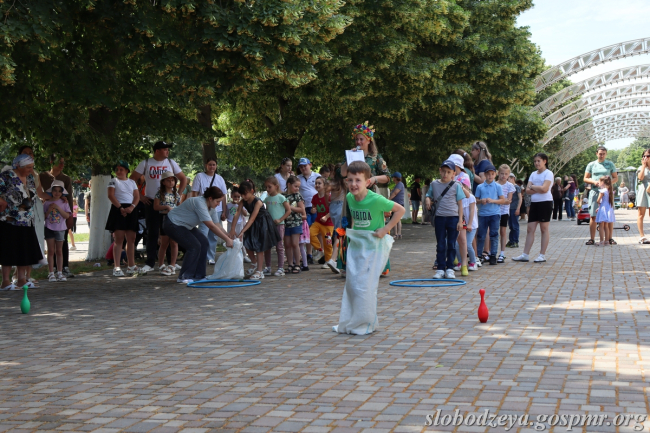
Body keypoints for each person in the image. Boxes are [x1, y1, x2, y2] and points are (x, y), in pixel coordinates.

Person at [333, 161, 404, 335]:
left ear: (367, 182)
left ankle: (366, 323)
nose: (353, 184)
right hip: (357, 246)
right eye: (350, 180)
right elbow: (354, 222)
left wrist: (385, 229)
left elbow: (400, 210)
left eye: (358, 180)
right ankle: (353, 320)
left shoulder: (375, 199)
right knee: (352, 285)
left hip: (374, 248)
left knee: (365, 287)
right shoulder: (350, 198)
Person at [130, 141, 187, 273]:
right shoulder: (146, 163)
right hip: (152, 202)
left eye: (168, 149)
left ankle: (171, 262)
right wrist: (141, 197)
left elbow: (183, 178)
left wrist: (178, 195)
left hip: (170, 204)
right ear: (157, 151)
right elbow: (131, 180)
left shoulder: (171, 162)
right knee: (152, 233)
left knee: (170, 233)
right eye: (165, 149)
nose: (167, 151)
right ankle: (150, 263)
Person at [163, 187, 233, 284]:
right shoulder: (199, 203)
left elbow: (217, 225)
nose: (218, 204)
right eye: (217, 201)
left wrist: (227, 236)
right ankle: (184, 276)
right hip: (172, 224)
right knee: (194, 246)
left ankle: (199, 276)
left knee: (203, 242)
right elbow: (211, 226)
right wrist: (227, 240)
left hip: (185, 226)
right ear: (210, 198)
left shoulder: (212, 208)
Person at [0, 155, 44, 290]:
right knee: (8, 251)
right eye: (28, 167)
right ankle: (5, 282)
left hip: (26, 220)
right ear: (18, 166)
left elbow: (35, 195)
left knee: (24, 250)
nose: (31, 170)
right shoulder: (6, 176)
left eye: (32, 167)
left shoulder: (30, 178)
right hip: (9, 219)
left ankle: (21, 280)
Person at [229, 181, 282, 280]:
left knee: (259, 246)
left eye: (245, 194)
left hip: (263, 223)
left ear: (252, 191)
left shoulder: (258, 202)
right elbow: (237, 214)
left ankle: (259, 271)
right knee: (246, 242)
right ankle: (254, 262)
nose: (243, 196)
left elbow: (252, 218)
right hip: (254, 223)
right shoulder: (243, 201)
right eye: (241, 194)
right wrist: (232, 229)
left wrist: (242, 231)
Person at [425, 160, 465, 278]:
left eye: (448, 172)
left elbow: (460, 204)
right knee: (441, 244)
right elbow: (428, 195)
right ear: (440, 171)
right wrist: (427, 200)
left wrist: (460, 221)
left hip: (453, 218)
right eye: (443, 171)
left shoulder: (456, 185)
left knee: (451, 244)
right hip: (440, 218)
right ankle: (440, 269)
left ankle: (450, 268)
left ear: (453, 174)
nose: (445, 174)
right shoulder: (434, 184)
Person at [513, 153, 554, 263]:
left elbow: (545, 189)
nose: (536, 163)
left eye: (538, 161)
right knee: (530, 229)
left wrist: (533, 187)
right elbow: (527, 190)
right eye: (535, 161)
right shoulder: (533, 174)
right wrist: (537, 188)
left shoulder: (548, 173)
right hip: (534, 203)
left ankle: (542, 255)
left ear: (544, 161)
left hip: (545, 203)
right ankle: (525, 254)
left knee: (544, 229)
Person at [39, 154, 75, 278]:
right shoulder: (43, 176)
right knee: (50, 246)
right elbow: (38, 191)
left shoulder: (65, 178)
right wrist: (45, 200)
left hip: (61, 215)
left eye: (63, 162)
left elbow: (69, 196)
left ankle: (64, 267)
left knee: (62, 242)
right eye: (59, 162)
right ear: (51, 162)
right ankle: (52, 269)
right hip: (48, 213)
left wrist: (70, 216)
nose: (61, 165)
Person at [190, 158, 227, 265]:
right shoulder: (199, 176)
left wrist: (224, 211)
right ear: (206, 165)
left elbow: (223, 196)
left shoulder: (220, 178)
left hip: (217, 209)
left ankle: (210, 257)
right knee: (203, 233)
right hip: (203, 209)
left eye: (214, 165)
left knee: (214, 234)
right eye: (210, 164)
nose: (212, 167)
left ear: (216, 166)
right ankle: (201, 255)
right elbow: (194, 193)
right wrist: (196, 207)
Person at [106, 161, 140, 277]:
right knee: (119, 238)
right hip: (118, 209)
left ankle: (131, 265)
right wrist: (120, 207)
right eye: (117, 169)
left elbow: (136, 196)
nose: (119, 171)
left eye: (121, 169)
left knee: (131, 238)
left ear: (126, 171)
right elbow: (111, 195)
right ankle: (117, 266)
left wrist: (132, 207)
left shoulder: (132, 182)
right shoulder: (113, 181)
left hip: (131, 209)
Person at [584, 146, 617, 245]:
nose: (601, 155)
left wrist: (607, 185)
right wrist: (594, 182)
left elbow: (615, 178)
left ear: (606, 154)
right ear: (596, 154)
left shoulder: (610, 164)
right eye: (600, 154)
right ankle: (592, 238)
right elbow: (585, 178)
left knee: (608, 217)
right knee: (593, 215)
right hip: (595, 191)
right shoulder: (591, 165)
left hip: (606, 193)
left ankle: (609, 238)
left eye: (603, 154)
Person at [475, 164, 505, 266]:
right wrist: (481, 201)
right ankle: (479, 256)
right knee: (481, 235)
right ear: (485, 174)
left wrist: (493, 200)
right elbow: (476, 200)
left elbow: (502, 200)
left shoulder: (498, 186)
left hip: (495, 214)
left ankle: (493, 256)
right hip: (483, 214)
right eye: (488, 174)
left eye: (492, 174)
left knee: (494, 235)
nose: (490, 176)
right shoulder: (480, 187)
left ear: (495, 174)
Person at [44, 180, 72, 282]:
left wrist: (58, 208)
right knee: (51, 251)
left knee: (59, 251)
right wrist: (49, 210)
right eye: (55, 190)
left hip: (60, 228)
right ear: (51, 191)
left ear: (62, 192)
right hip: (49, 228)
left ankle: (60, 272)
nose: (57, 193)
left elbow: (67, 216)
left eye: (59, 191)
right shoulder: (47, 203)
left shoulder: (64, 202)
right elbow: (43, 217)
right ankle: (51, 273)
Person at [154, 171, 181, 276]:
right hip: (164, 217)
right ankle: (161, 264)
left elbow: (179, 207)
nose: (171, 182)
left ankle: (172, 265)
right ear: (163, 182)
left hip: (174, 219)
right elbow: (155, 207)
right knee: (164, 243)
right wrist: (166, 207)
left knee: (174, 242)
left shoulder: (176, 194)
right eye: (168, 180)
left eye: (173, 180)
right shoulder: (159, 194)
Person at [263, 177, 290, 276]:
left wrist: (280, 219)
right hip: (269, 226)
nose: (267, 189)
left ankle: (280, 268)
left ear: (276, 186)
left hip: (279, 225)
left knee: (279, 246)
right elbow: (265, 210)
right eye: (266, 187)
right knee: (267, 247)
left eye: (269, 187)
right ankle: (268, 267)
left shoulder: (281, 198)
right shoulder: (267, 199)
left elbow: (288, 210)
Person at [297, 158, 320, 263]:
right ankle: (309, 254)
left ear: (310, 165)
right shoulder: (298, 178)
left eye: (305, 166)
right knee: (308, 230)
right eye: (301, 167)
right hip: (304, 207)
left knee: (319, 229)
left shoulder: (317, 176)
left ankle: (320, 251)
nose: (303, 168)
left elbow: (323, 189)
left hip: (316, 206)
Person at [309, 177, 335, 265]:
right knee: (310, 233)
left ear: (324, 185)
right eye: (316, 183)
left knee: (328, 243)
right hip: (318, 222)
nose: (317, 185)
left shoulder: (329, 197)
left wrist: (326, 217)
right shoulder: (315, 197)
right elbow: (313, 208)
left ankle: (328, 261)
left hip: (328, 224)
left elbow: (333, 210)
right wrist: (313, 210)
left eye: (319, 183)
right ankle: (320, 250)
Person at [283, 176, 306, 274]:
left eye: (298, 187)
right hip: (285, 223)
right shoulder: (282, 196)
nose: (297, 189)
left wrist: (290, 208)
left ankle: (297, 264)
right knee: (287, 244)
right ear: (289, 184)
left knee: (295, 244)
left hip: (296, 223)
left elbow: (302, 209)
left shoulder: (298, 196)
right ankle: (290, 264)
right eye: (295, 186)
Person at [325, 164, 346, 274]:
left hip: (333, 206)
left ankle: (337, 259)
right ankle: (333, 259)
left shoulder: (332, 183)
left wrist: (327, 201)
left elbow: (326, 191)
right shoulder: (344, 183)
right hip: (341, 206)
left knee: (337, 233)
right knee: (340, 233)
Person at [496, 165, 515, 263]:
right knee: (492, 232)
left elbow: (509, 200)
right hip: (494, 211)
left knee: (502, 232)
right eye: (502, 173)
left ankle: (502, 253)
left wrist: (497, 201)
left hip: (504, 212)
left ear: (509, 175)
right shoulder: (495, 184)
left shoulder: (510, 186)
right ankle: (491, 252)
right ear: (498, 173)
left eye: (506, 174)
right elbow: (505, 200)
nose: (504, 176)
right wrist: (502, 201)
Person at [225, 188, 249, 260]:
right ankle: (232, 255)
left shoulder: (241, 205)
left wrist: (240, 207)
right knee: (231, 238)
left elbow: (245, 214)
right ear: (231, 196)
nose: (237, 198)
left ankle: (244, 256)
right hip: (230, 223)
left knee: (240, 239)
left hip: (239, 224)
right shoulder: (228, 205)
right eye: (235, 196)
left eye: (238, 197)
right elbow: (226, 214)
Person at [596, 175, 615, 246]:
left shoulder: (602, 191)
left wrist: (599, 204)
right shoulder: (609, 190)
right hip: (608, 209)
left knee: (601, 225)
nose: (598, 183)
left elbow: (598, 200)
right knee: (606, 226)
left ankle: (601, 241)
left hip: (603, 209)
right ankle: (607, 241)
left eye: (599, 181)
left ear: (603, 182)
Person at [637, 149, 650, 244]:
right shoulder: (641, 167)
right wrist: (643, 166)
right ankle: (642, 236)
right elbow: (640, 178)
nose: (645, 158)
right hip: (643, 189)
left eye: (648, 156)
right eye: (644, 156)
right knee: (641, 214)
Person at [506, 174, 522, 248]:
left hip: (514, 208)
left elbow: (520, 198)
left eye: (508, 179)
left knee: (515, 225)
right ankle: (511, 240)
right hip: (509, 208)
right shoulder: (508, 187)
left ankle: (515, 241)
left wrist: (518, 208)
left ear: (512, 178)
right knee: (511, 225)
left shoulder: (516, 187)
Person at [388, 172, 405, 239]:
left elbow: (395, 193)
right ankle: (399, 234)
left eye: (393, 177)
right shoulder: (399, 184)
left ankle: (395, 234)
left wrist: (388, 200)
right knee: (397, 219)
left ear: (395, 178)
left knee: (394, 218)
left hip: (397, 204)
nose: (392, 179)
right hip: (399, 203)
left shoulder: (399, 185)